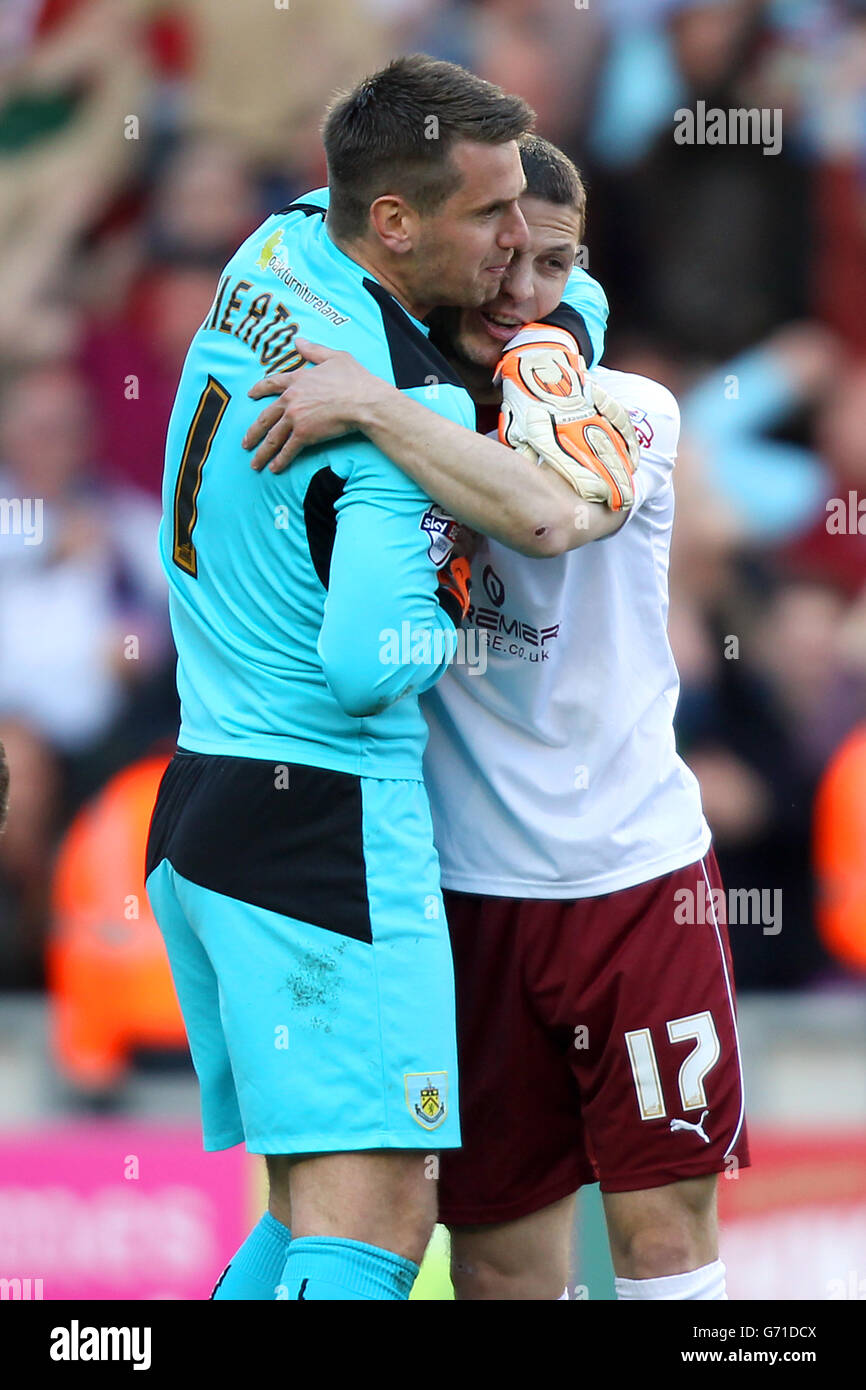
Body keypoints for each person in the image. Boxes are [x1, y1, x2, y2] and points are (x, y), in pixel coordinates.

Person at [244, 133, 750, 1301]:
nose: (521, 293)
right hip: (464, 896)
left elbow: (547, 514)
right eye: (502, 256)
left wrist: (370, 404)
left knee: (664, 1237)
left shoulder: (635, 411)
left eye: (554, 266)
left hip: (634, 880)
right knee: (500, 1265)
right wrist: (379, 399)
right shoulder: (386, 409)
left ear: (583, 277)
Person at [145, 53, 548, 1303]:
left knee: (311, 1212)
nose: (515, 239)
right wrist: (462, 589)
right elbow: (369, 663)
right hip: (323, 822)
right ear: (392, 221)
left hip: (208, 802)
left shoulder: (269, 252)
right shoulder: (397, 415)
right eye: (488, 213)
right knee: (375, 1224)